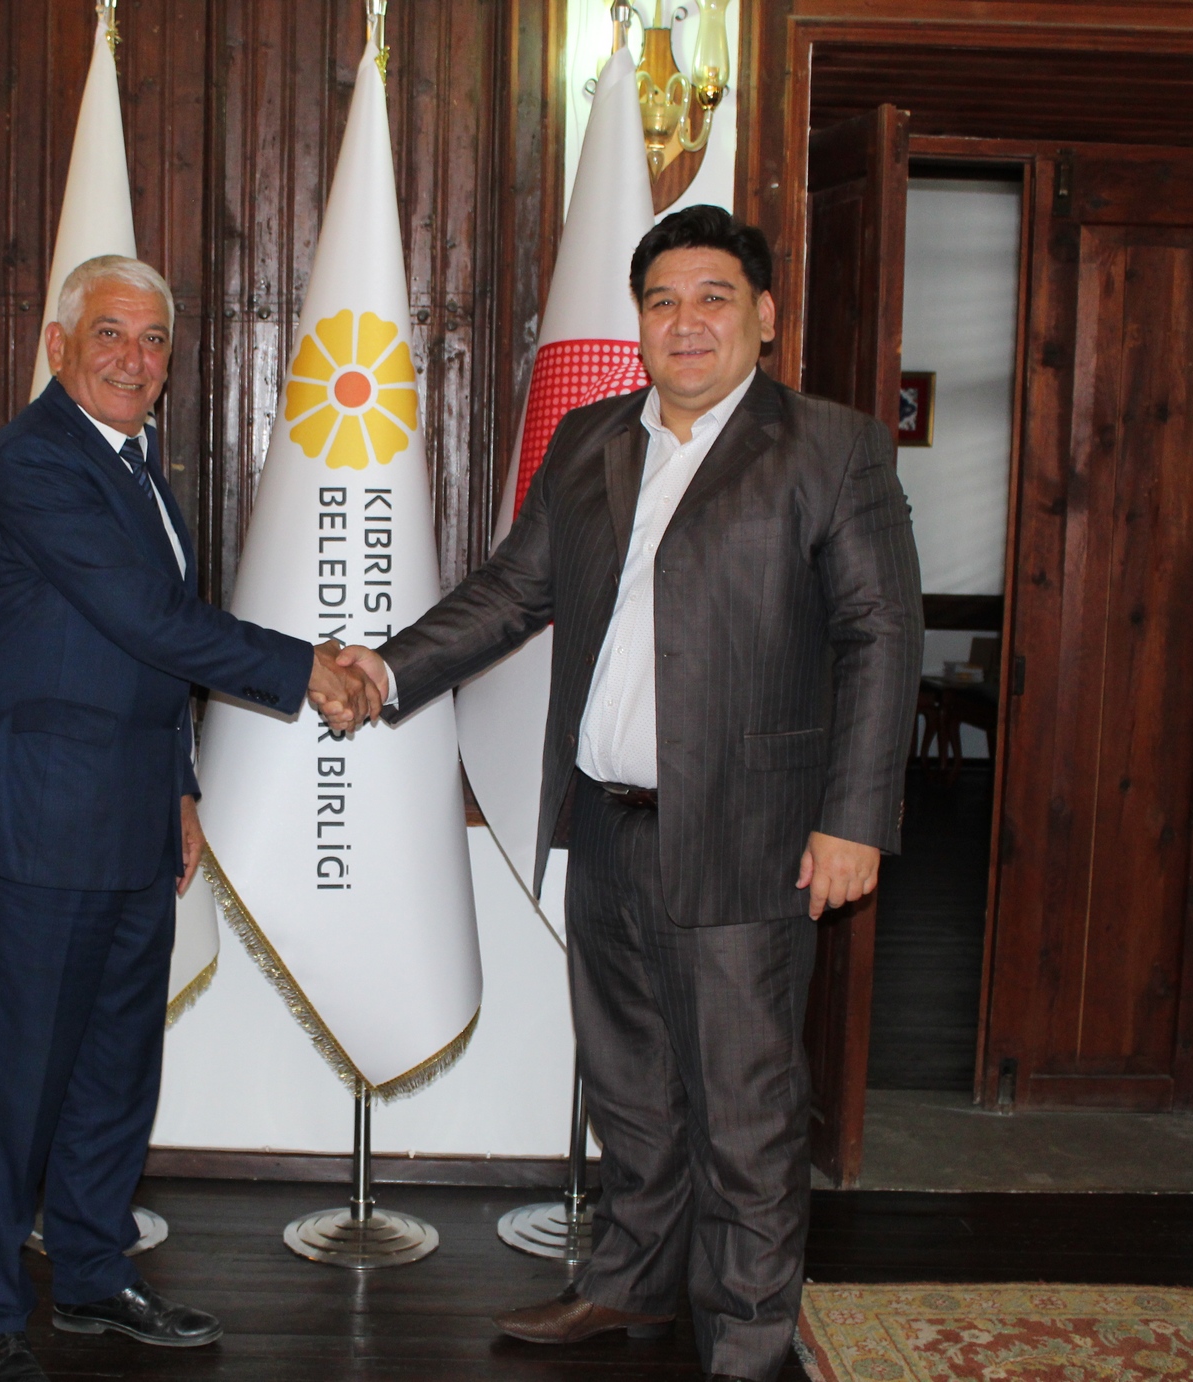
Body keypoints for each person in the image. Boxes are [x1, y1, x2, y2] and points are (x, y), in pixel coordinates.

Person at [338, 206, 922, 1382]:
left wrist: (855, 818)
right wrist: (384, 670)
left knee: (747, 1109)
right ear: (639, 322)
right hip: (607, 827)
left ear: (765, 316)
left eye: (714, 297)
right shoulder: (591, 440)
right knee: (632, 1088)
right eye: (663, 300)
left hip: (752, 840)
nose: (686, 321)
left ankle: (747, 1340)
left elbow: (881, 632)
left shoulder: (831, 449)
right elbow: (512, 591)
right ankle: (630, 1286)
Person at [0, 254, 379, 1382]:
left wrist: (180, 783)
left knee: (113, 1070)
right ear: (58, 344)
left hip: (137, 817)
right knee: (12, 1081)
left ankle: (92, 1274)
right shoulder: (35, 461)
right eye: (110, 333)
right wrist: (306, 668)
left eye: (151, 341)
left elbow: (147, 656)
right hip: (41, 823)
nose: (133, 359)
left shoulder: (139, 468)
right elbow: (145, 616)